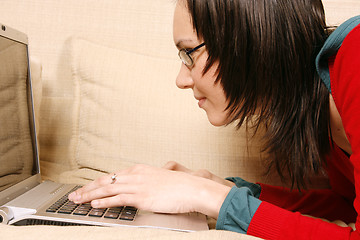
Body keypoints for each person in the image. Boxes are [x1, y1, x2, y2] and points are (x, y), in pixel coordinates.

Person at [68, 0, 360, 239]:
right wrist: (230, 190)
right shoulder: (320, 107)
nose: (181, 79)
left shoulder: (355, 56)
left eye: (188, 53)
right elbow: (348, 209)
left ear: (248, 40)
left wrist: (208, 197)